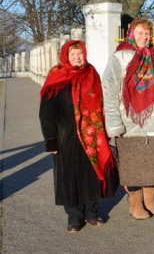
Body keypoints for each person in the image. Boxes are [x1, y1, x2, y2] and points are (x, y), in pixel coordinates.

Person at [39, 40, 119, 233]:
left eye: (80, 54)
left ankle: (91, 213)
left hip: (93, 135)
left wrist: (105, 131)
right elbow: (46, 112)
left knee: (92, 174)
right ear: (66, 56)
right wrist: (51, 140)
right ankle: (74, 217)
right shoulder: (56, 76)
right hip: (66, 136)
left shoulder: (91, 73)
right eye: (73, 54)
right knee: (70, 176)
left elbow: (101, 102)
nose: (77, 58)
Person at [103, 17, 154, 220]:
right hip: (129, 121)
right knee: (132, 165)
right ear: (132, 34)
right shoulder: (120, 56)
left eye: (147, 33)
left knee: (153, 163)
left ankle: (150, 200)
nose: (144, 37)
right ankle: (135, 204)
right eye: (140, 33)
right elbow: (109, 89)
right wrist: (114, 122)